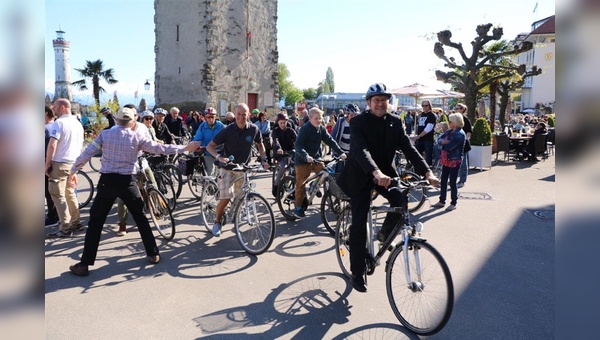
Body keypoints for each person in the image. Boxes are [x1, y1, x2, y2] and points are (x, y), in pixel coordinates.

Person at [66, 108, 200, 276]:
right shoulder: (136, 136)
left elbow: (87, 153)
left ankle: (84, 264)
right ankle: (153, 253)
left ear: (116, 120)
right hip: (128, 181)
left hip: (107, 181)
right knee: (141, 218)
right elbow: (159, 148)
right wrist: (185, 148)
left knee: (96, 221)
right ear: (132, 122)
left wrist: (73, 171)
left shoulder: (105, 135)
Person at [336, 83, 439, 293]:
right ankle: (357, 272)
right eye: (376, 100)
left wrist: (427, 173)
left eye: (384, 100)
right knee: (358, 221)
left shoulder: (395, 122)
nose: (380, 104)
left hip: (386, 175)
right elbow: (360, 150)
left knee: (401, 198)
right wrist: (375, 173)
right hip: (361, 175)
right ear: (368, 103)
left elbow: (409, 149)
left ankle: (383, 234)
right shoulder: (358, 123)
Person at [205, 103, 269, 237]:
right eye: (238, 114)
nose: (241, 117)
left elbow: (260, 144)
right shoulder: (228, 130)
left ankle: (234, 214)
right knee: (226, 197)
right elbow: (210, 146)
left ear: (248, 115)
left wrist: (264, 159)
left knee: (240, 198)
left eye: (244, 114)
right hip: (227, 168)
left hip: (243, 169)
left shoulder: (253, 129)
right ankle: (217, 222)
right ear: (235, 115)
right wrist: (219, 157)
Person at [293, 107, 346, 218]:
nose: (319, 120)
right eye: (316, 118)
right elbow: (298, 145)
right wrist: (306, 156)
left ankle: (314, 185)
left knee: (326, 173)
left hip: (316, 158)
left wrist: (341, 153)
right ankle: (298, 207)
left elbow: (330, 141)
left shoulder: (321, 129)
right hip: (302, 160)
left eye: (320, 118)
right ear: (310, 118)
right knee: (301, 184)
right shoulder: (305, 129)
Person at [45, 98, 85, 238]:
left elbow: (52, 145)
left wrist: (47, 163)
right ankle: (76, 222)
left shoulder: (59, 123)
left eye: (55, 106)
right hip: (73, 162)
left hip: (60, 162)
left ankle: (65, 227)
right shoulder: (78, 124)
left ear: (62, 107)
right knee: (70, 193)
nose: (53, 109)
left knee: (57, 193)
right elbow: (81, 146)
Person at [115, 106, 154, 236]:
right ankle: (122, 224)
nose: (133, 117)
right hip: (127, 167)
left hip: (142, 162)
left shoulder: (142, 128)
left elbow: (150, 143)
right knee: (123, 196)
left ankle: (156, 209)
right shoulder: (117, 130)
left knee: (153, 184)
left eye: (135, 114)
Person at [432, 113, 466, 211]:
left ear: (455, 122)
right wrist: (442, 142)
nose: (449, 123)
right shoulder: (449, 131)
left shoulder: (460, 134)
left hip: (454, 160)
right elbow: (438, 139)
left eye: (450, 121)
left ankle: (453, 202)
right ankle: (442, 201)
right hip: (446, 159)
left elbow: (449, 147)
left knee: (452, 182)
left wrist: (442, 144)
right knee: (443, 180)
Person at [192, 107, 225, 176]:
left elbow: (227, 136)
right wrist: (196, 145)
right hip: (208, 153)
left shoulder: (220, 126)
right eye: (208, 117)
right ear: (205, 117)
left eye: (212, 117)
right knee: (210, 173)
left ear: (215, 117)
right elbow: (198, 137)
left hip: (219, 152)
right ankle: (207, 186)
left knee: (221, 173)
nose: (210, 119)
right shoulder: (202, 126)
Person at [271, 113, 297, 196]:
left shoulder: (290, 130)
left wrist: (299, 147)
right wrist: (279, 148)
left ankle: (293, 186)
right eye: (281, 123)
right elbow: (276, 140)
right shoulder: (275, 131)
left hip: (291, 152)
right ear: (278, 123)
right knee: (282, 167)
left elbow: (297, 139)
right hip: (280, 153)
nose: (282, 124)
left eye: (284, 122)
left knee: (296, 168)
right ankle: (276, 185)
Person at [45, 105, 59, 227]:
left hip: (47, 162)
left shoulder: (45, 129)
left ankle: (52, 216)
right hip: (59, 161)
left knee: (48, 191)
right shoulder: (56, 126)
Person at [413, 100, 437, 166]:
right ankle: (417, 173)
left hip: (428, 139)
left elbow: (428, 128)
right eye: (423, 105)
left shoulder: (432, 115)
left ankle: (428, 173)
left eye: (426, 105)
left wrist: (418, 136)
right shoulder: (421, 114)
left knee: (428, 157)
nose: (424, 107)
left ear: (430, 106)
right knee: (417, 156)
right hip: (420, 139)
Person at [455, 103, 472, 188]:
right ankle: (453, 179)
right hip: (454, 144)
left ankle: (462, 180)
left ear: (463, 110)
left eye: (459, 108)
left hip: (463, 144)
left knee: (463, 163)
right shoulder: (454, 119)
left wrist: (465, 139)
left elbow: (469, 131)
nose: (457, 110)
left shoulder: (465, 119)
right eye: (456, 108)